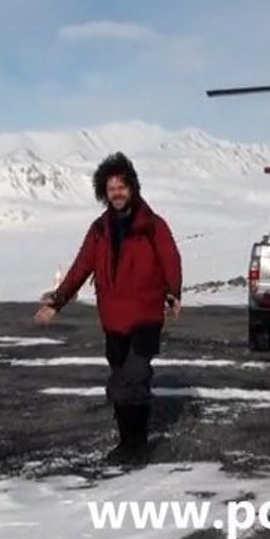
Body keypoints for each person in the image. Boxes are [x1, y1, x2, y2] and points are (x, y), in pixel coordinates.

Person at [34, 152, 182, 463]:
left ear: (133, 188)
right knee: (120, 381)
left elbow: (171, 260)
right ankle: (127, 441)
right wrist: (57, 303)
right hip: (113, 320)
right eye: (110, 187)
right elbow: (80, 268)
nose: (116, 192)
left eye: (121, 186)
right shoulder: (99, 229)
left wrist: (172, 293)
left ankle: (136, 444)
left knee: (135, 374)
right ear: (103, 191)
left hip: (145, 317)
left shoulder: (152, 225)